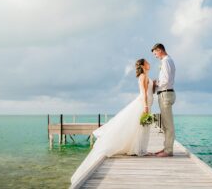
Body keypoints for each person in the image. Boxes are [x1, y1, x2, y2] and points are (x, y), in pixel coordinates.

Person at [70, 58, 154, 187]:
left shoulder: (146, 76)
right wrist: (146, 107)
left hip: (144, 104)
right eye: (147, 62)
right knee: (138, 126)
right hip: (142, 104)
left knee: (138, 127)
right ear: (143, 66)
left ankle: (139, 148)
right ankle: (139, 149)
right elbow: (143, 94)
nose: (149, 63)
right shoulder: (143, 76)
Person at [151, 43, 176, 157]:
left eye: (155, 53)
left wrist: (157, 83)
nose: (155, 56)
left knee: (168, 125)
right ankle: (166, 148)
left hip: (165, 94)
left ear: (159, 50)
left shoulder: (166, 61)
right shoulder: (167, 60)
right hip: (166, 93)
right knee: (165, 124)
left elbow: (165, 80)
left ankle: (168, 151)